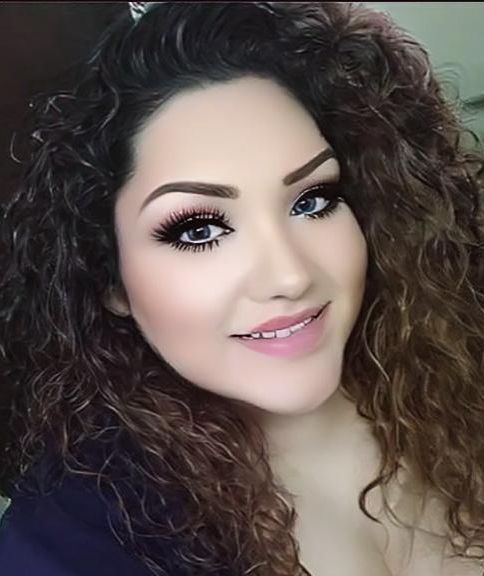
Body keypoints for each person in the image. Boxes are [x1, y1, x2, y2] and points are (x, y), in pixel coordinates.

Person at [0, 2, 483, 575]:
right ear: (110, 278)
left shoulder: (463, 368)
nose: (290, 275)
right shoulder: (68, 539)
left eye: (313, 200)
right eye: (199, 230)